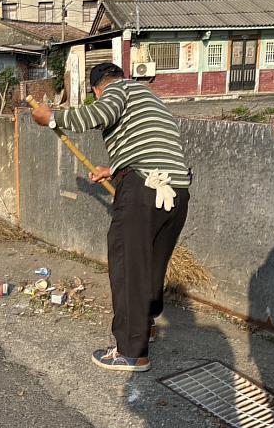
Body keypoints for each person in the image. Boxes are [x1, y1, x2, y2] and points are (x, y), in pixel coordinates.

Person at [31, 63, 191, 372]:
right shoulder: (148, 97)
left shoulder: (117, 90)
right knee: (151, 264)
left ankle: (132, 351)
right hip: (176, 192)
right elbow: (146, 146)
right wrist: (113, 170)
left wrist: (51, 118)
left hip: (143, 189)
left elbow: (97, 116)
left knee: (128, 265)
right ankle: (146, 326)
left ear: (96, 90)